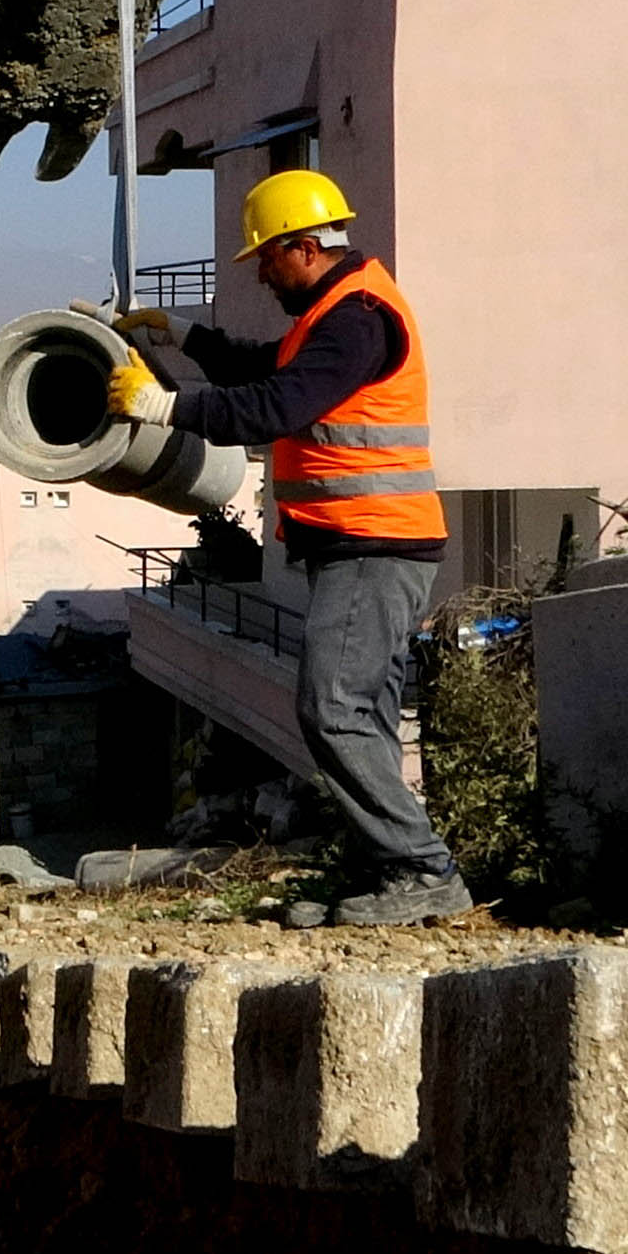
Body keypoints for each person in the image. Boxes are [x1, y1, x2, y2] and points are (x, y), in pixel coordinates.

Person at [106, 170, 471, 927]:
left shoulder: (357, 319)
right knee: (357, 709)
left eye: (267, 259)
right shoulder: (337, 309)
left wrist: (165, 404)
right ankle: (397, 874)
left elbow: (278, 404)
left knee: (330, 706)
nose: (263, 273)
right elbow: (273, 367)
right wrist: (185, 335)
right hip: (363, 542)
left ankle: (421, 869)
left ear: (304, 247)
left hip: (375, 541)